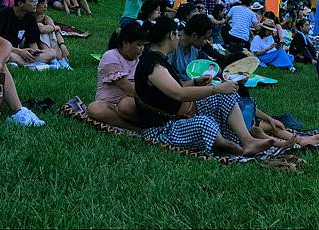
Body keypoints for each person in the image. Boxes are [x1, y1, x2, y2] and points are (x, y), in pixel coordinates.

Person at [133, 17, 273, 156]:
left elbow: (173, 87)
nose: (178, 38)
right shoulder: (153, 64)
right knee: (205, 123)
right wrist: (215, 88)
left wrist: (195, 83)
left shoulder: (157, 60)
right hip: (162, 127)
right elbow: (178, 93)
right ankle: (229, 146)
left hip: (177, 115)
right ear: (171, 35)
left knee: (225, 96)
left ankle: (248, 140)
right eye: (177, 34)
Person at [87, 23, 146, 130]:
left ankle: (143, 124)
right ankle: (132, 127)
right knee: (94, 108)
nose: (142, 49)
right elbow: (128, 89)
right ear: (125, 44)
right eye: (138, 45)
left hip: (128, 104)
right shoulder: (110, 56)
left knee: (127, 105)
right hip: (109, 106)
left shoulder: (138, 61)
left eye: (143, 45)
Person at [0, 0, 55, 66]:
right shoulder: (1, 16)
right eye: (32, 1)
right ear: (20, 4)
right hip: (0, 50)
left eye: (35, 1)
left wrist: (33, 53)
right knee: (1, 53)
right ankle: (26, 63)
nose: (35, 4)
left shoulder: (30, 18)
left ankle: (23, 62)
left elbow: (33, 45)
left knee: (52, 53)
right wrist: (19, 51)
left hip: (18, 52)